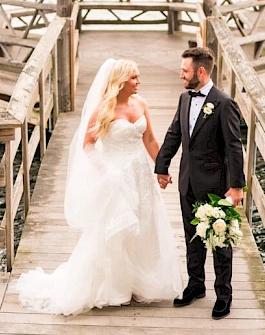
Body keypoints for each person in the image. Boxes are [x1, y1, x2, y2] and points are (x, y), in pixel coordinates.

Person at [15, 58, 183, 315]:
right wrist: (109, 172)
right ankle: (117, 287)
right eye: (134, 78)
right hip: (116, 177)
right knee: (119, 229)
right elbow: (88, 146)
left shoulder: (141, 103)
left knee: (145, 224)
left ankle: (140, 282)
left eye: (138, 77)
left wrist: (161, 169)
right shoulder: (104, 109)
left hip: (141, 174)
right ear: (120, 81)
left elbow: (149, 139)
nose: (139, 82)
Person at [155, 46, 245, 320]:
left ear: (201, 71)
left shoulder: (223, 103)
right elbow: (174, 134)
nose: (181, 74)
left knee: (219, 241)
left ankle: (224, 294)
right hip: (187, 182)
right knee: (191, 237)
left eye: (185, 70)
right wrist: (162, 166)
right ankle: (195, 285)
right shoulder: (184, 98)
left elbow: (233, 146)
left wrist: (236, 186)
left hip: (216, 185)